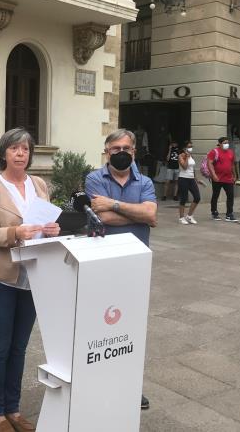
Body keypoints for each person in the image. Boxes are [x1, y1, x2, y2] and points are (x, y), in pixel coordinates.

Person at [0, 128, 60, 432]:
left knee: (20, 347)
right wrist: (13, 233)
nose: (21, 154)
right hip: (3, 279)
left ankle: (14, 408)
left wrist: (52, 229)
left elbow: (48, 221)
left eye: (25, 149)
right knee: (0, 346)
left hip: (34, 276)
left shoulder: (39, 184)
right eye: (15, 149)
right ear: (4, 153)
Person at [85, 128, 156, 411]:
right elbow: (100, 218)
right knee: (100, 327)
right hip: (101, 264)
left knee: (133, 329)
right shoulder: (94, 178)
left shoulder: (146, 180)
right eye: (115, 149)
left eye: (126, 148)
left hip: (135, 264)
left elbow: (151, 214)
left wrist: (113, 205)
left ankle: (129, 385)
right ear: (107, 151)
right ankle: (98, 383)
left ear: (134, 151)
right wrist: (134, 212)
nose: (121, 153)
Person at [207, 137, 238, 222]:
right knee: (215, 195)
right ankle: (214, 212)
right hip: (217, 178)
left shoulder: (231, 152)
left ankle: (229, 214)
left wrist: (235, 175)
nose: (226, 144)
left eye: (227, 142)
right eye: (224, 143)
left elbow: (232, 165)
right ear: (220, 144)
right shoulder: (214, 152)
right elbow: (209, 163)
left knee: (230, 195)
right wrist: (213, 175)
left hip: (228, 178)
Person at [177, 140, 202, 225]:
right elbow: (184, 167)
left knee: (197, 197)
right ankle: (181, 217)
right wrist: (187, 157)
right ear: (184, 148)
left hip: (191, 179)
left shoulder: (192, 156)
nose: (191, 148)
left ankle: (189, 216)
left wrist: (196, 179)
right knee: (183, 198)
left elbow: (192, 169)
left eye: (191, 146)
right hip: (183, 178)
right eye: (189, 146)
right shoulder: (181, 156)